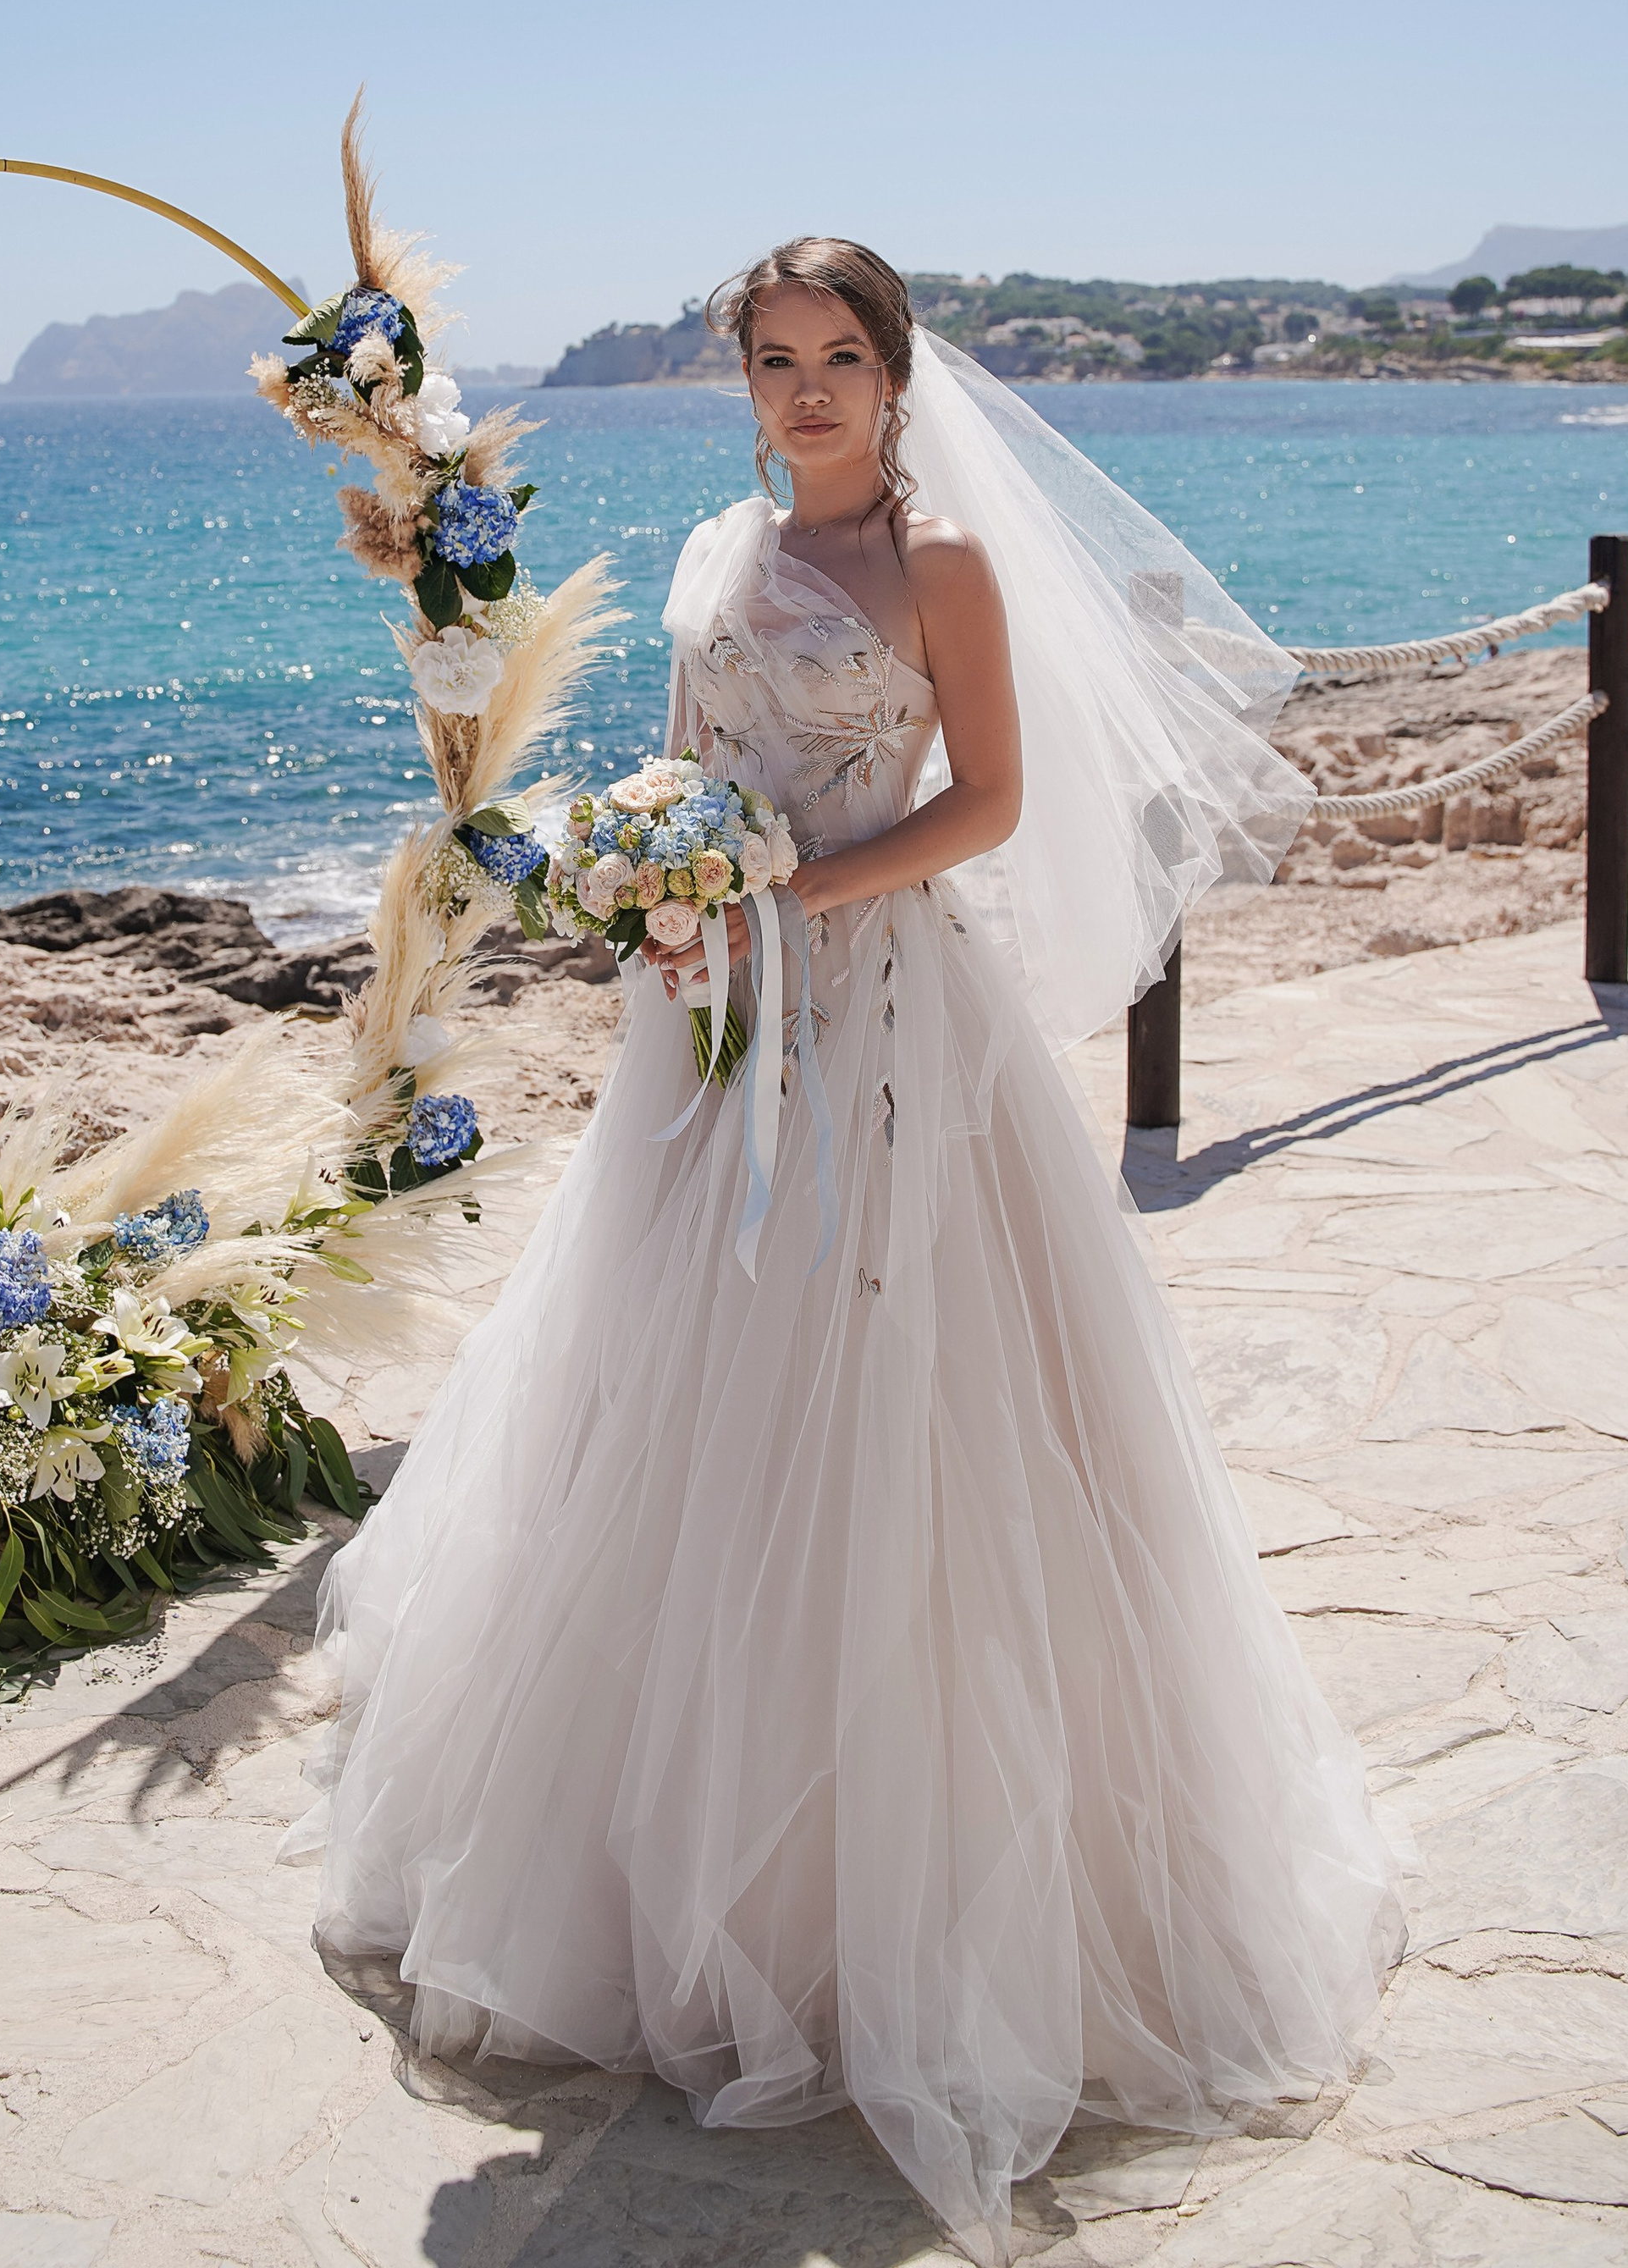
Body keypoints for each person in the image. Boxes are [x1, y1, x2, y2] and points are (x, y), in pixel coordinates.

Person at [291, 240, 1400, 2261]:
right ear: (740, 382)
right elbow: (677, 763)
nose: (806, 392)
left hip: (879, 1021)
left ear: (894, 379)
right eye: (776, 361)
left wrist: (789, 892)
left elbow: (984, 802)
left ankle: (893, 1915)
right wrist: (658, 877)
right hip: (704, 1025)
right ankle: (655, 1870)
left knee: (902, 1410)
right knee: (669, 1382)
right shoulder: (719, 546)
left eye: (839, 361)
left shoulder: (940, 562)